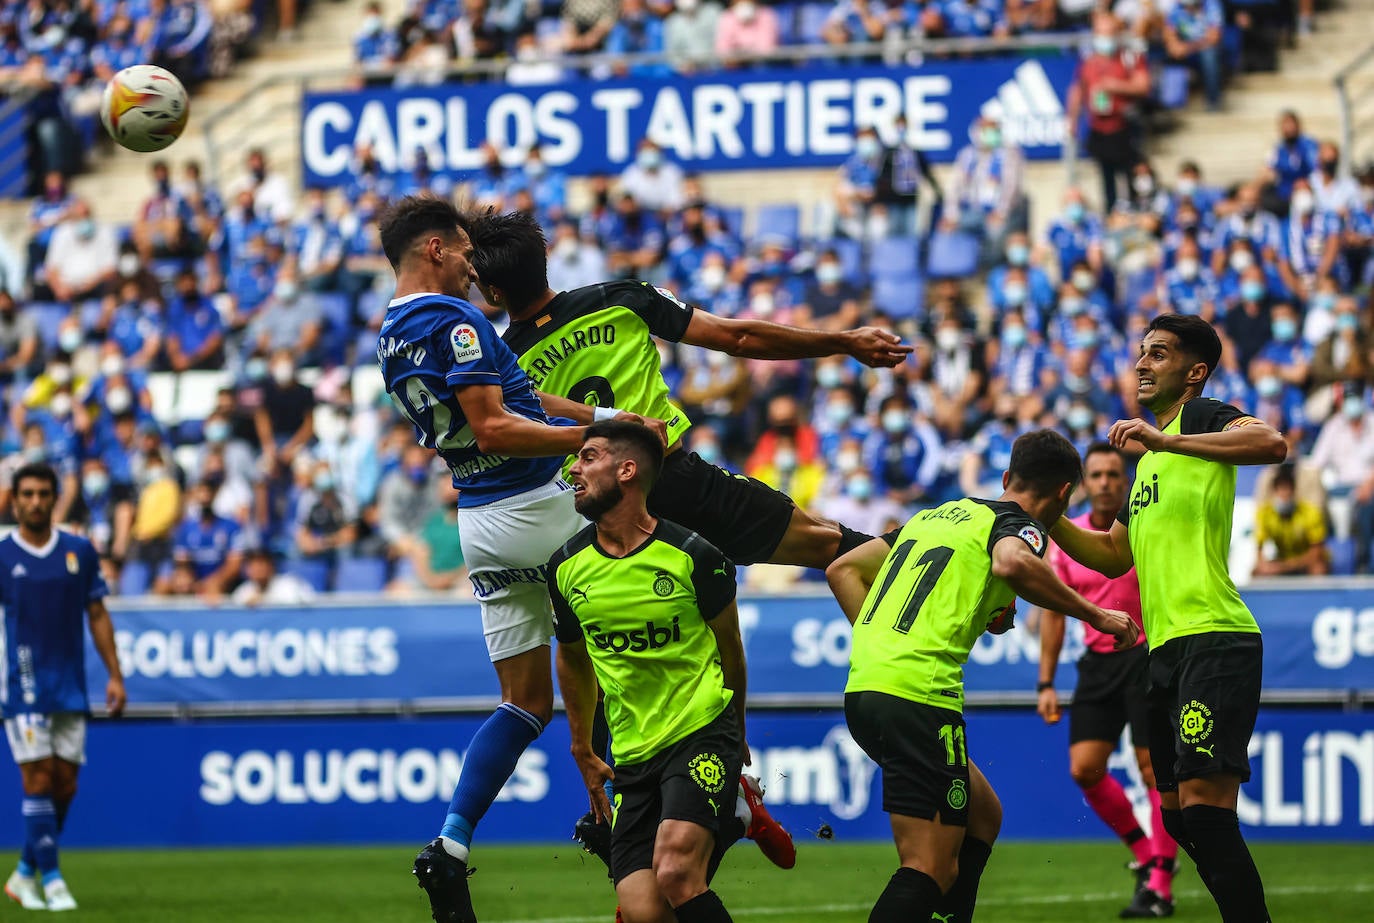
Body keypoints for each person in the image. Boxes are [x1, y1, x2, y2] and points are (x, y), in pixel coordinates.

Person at [465, 208, 911, 574]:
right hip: (673, 478)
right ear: (545, 256)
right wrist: (842, 341)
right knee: (830, 542)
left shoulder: (500, 365)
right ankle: (943, 573)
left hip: (592, 517)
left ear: (492, 291)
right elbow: (738, 338)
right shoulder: (619, 299)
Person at [374, 195, 597, 923]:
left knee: (524, 701)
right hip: (541, 505)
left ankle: (451, 844)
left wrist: (605, 420)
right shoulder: (457, 320)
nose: (476, 265)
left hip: (481, 521)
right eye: (466, 251)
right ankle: (636, 805)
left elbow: (520, 401)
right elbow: (498, 424)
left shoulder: (390, 334)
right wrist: (598, 447)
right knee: (646, 617)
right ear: (435, 249)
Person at [826, 429, 1138, 923]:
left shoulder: (931, 517)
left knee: (983, 815)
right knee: (930, 867)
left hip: (866, 687)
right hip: (919, 696)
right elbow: (1013, 562)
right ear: (1064, 494)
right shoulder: (1021, 525)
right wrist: (1096, 615)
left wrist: (881, 639)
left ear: (1008, 476)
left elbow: (842, 569)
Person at [1050, 313, 1287, 923]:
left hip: (1215, 638)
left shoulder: (1200, 420)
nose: (1142, 363)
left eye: (1159, 353)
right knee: (1180, 817)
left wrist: (1169, 440)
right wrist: (1046, 518)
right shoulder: (1145, 467)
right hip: (1165, 653)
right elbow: (1111, 554)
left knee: (1206, 814)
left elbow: (1272, 444)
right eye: (1140, 353)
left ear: (1195, 372)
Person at [550, 421, 792, 923]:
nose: (574, 468)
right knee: (643, 911)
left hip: (701, 729)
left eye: (588, 457)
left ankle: (732, 804)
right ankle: (737, 815)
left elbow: (731, 652)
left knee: (678, 871)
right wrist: (582, 747)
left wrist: (736, 728)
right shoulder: (565, 567)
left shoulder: (695, 556)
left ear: (627, 469)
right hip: (633, 751)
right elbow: (572, 658)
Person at [1037, 443, 1178, 918]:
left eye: (1113, 474)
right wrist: (1046, 683)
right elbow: (1055, 613)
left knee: (1153, 772)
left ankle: (1160, 884)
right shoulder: (1066, 541)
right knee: (1085, 769)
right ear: (1083, 484)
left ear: (1126, 481)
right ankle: (1144, 855)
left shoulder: (1147, 526)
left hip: (1146, 657)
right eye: (1095, 475)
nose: (1104, 482)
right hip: (1097, 666)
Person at [1, 463, 126, 912]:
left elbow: (97, 613)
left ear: (55, 498)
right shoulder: (2, 555)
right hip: (23, 682)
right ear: (14, 500)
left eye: (43, 494)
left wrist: (115, 673)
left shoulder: (79, 552)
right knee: (36, 778)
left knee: (65, 785)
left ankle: (23, 872)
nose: (35, 501)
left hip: (70, 683)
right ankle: (52, 880)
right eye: (27, 494)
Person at [1067, 12, 1150, 211]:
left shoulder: (1129, 56)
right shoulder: (1088, 60)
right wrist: (1072, 118)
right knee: (1107, 179)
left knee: (1132, 177)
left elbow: (1143, 85)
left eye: (1108, 33)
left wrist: (1115, 85)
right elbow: (1078, 89)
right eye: (1100, 33)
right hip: (1100, 129)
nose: (1104, 38)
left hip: (1124, 127)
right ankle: (1111, 214)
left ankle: (1135, 211)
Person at [1252, 463, 1329, 577]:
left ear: (1294, 492)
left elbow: (1316, 553)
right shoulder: (1265, 514)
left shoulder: (1310, 513)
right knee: (1256, 572)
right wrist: (1265, 565)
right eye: (1280, 490)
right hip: (1281, 560)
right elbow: (1259, 551)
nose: (1284, 495)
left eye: (1287, 490)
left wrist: (1285, 566)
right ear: (1274, 492)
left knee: (1318, 568)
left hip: (1305, 562)